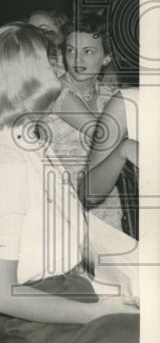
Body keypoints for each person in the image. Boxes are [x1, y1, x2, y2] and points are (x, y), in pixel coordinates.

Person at [0, 23, 138, 343]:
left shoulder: (26, 139)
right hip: (41, 341)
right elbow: (2, 295)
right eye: (52, 64)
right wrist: (97, 311)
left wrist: (109, 289)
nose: (60, 74)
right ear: (29, 77)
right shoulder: (3, 163)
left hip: (66, 304)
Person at [46, 14, 125, 230]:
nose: (77, 60)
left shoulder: (110, 95)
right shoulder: (54, 91)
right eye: (71, 50)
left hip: (105, 204)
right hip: (61, 207)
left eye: (88, 51)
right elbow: (104, 134)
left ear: (106, 57)